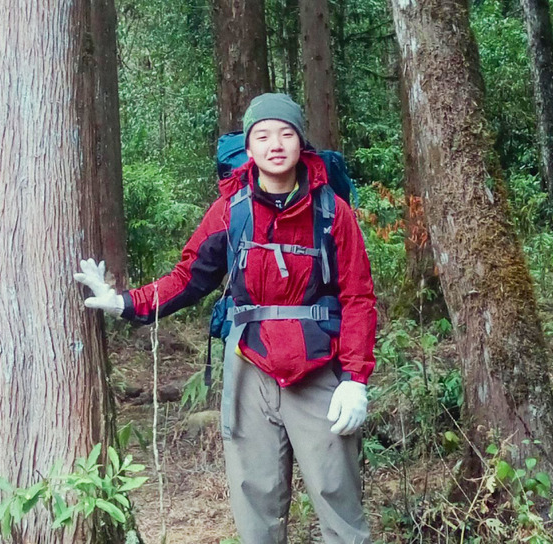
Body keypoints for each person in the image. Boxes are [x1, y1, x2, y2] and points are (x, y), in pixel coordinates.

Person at [75, 93, 376, 544]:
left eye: (286, 134)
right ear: (249, 148)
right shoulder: (231, 210)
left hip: (318, 368)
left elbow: (357, 297)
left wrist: (355, 380)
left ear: (301, 144)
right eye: (263, 135)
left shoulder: (332, 212)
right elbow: (189, 277)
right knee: (255, 499)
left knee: (338, 497)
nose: (276, 144)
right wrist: (126, 303)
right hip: (249, 368)